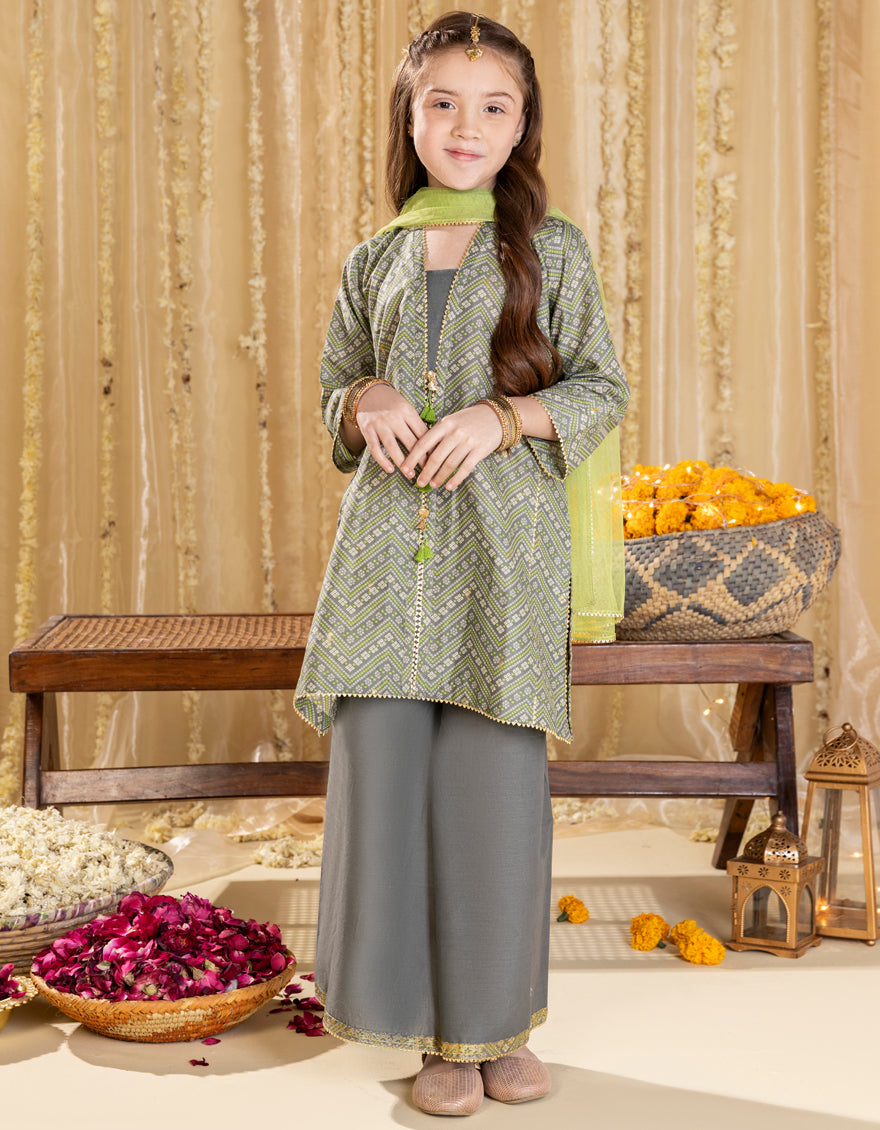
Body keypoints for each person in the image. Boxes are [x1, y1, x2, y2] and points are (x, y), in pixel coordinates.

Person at [294, 11, 629, 1117]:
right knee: (387, 782)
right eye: (442, 102)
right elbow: (334, 391)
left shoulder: (552, 248)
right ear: (410, 118)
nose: (465, 125)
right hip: (385, 561)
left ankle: (493, 1027)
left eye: (493, 106)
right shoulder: (374, 257)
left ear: (523, 125)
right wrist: (363, 397)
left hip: (503, 556)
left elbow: (601, 388)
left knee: (490, 790)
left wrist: (503, 416)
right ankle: (420, 1033)